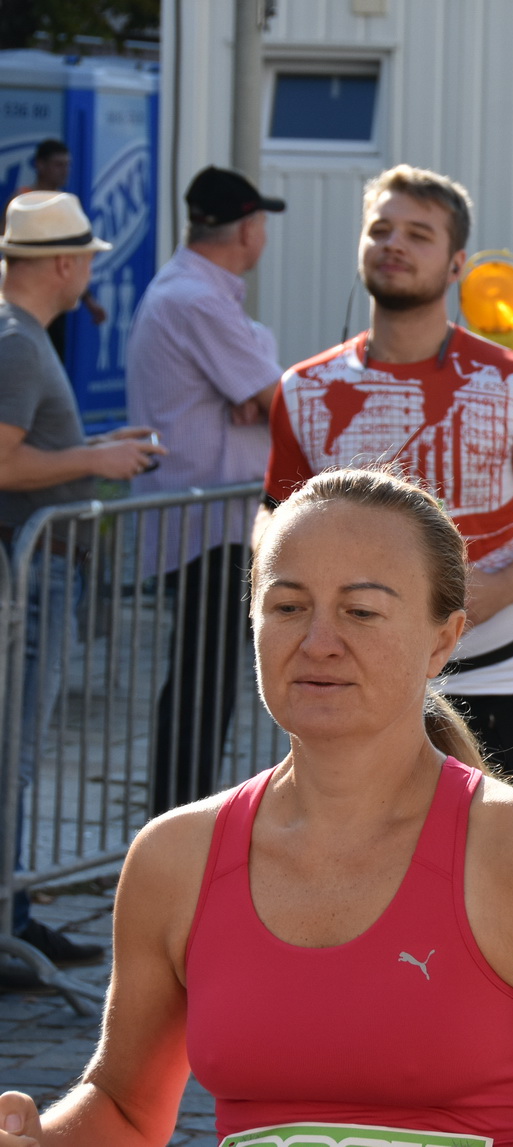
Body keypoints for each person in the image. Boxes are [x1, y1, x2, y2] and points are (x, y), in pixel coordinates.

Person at [0, 466, 513, 1146]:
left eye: (361, 611)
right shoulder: (173, 857)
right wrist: (38, 1137)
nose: (318, 642)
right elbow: (123, 1109)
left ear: (443, 639)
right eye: (287, 607)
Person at [264, 165, 513, 783]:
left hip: (489, 673)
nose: (393, 244)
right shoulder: (305, 387)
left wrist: (500, 589)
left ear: (456, 265)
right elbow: (273, 514)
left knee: (485, 847)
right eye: (380, 230)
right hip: (344, 673)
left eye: (418, 234)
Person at [0, 191, 164, 974]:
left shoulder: (21, 336)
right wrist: (95, 458)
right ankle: (10, 923)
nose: (91, 273)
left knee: (17, 755)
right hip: (34, 572)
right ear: (64, 264)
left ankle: (16, 917)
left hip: (38, 567)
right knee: (15, 757)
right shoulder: (19, 341)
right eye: (88, 261)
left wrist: (95, 443)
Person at [126, 166, 286, 817]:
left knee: (206, 678)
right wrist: (258, 395)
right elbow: (277, 398)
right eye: (262, 222)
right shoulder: (197, 299)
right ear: (246, 230)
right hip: (209, 525)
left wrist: (255, 391)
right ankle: (180, 824)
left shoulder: (194, 292)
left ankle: (181, 820)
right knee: (203, 682)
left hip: (209, 520)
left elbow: (262, 390)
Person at [10, 139, 106, 359]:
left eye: (67, 164)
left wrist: (89, 301)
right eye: (58, 164)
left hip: (55, 309)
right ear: (40, 165)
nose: (65, 170)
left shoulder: (65, 206)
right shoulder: (21, 203)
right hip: (26, 303)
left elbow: (73, 259)